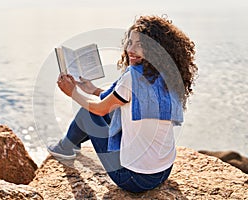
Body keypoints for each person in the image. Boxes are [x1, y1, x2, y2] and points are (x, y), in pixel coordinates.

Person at [48, 15, 198, 193]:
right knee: (111, 112)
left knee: (87, 114)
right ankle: (69, 145)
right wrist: (93, 90)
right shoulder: (168, 74)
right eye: (130, 42)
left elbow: (100, 108)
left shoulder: (132, 77)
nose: (130, 50)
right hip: (163, 171)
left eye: (140, 45)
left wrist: (72, 92)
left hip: (133, 179)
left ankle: (66, 148)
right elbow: (121, 100)